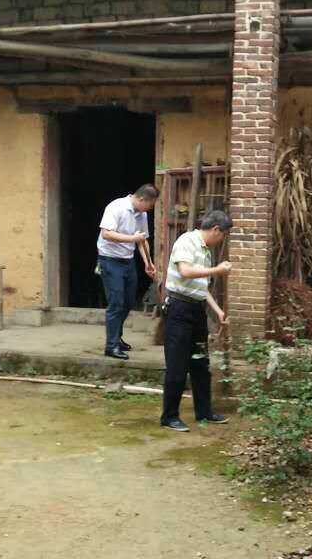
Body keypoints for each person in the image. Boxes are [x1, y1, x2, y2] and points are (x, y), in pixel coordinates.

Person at [160, 209, 232, 432]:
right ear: (216, 229)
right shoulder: (187, 241)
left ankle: (204, 411)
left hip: (197, 310)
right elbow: (185, 271)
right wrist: (217, 270)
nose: (222, 240)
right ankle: (169, 416)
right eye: (223, 235)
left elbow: (201, 287)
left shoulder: (205, 250)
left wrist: (217, 310)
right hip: (179, 310)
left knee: (200, 363)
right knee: (177, 365)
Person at [96, 183, 158, 359]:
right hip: (109, 260)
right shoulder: (116, 207)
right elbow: (106, 233)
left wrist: (148, 263)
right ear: (141, 199)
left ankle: (117, 337)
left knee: (128, 301)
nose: (150, 209)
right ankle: (111, 346)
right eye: (150, 205)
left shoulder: (142, 214)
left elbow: (142, 240)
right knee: (116, 303)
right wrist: (132, 238)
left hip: (128, 261)